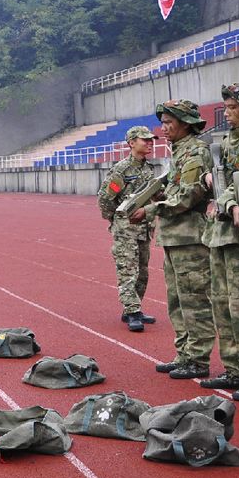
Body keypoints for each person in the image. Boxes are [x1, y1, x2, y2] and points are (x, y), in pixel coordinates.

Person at [130, 100, 214, 379]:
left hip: (190, 238)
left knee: (194, 301)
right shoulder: (178, 152)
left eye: (169, 123)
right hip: (175, 237)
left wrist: (151, 209)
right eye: (163, 122)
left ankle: (198, 360)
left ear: (186, 123)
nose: (163, 128)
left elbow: (189, 196)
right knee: (177, 301)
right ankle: (185, 354)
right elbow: (174, 193)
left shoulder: (195, 153)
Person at [201, 84, 239, 390]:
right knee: (222, 302)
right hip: (223, 233)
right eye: (226, 107)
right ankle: (234, 368)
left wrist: (226, 200)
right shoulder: (228, 142)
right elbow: (226, 182)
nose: (227, 113)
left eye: (233, 107)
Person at [97, 126, 158, 332]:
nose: (150, 143)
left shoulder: (149, 169)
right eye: (145, 140)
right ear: (132, 143)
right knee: (127, 270)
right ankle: (132, 311)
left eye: (151, 140)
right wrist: (117, 220)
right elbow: (105, 198)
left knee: (143, 272)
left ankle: (135, 308)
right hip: (126, 229)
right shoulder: (121, 170)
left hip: (144, 228)